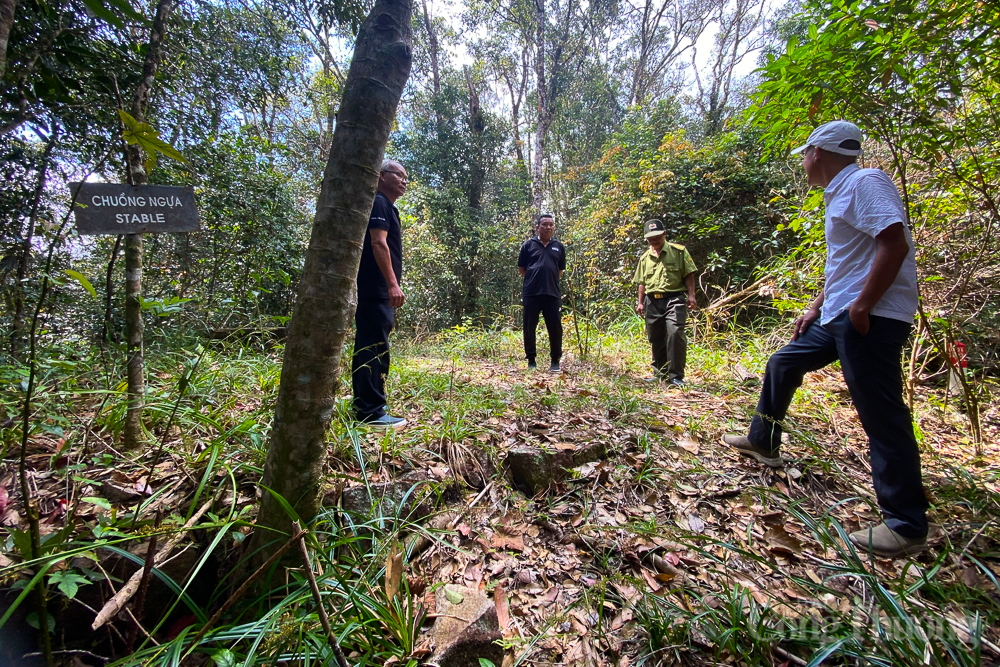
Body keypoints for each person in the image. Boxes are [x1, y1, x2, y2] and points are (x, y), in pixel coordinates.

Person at [722, 120, 928, 558]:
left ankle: (905, 523)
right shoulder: (840, 192)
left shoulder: (865, 182)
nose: (803, 162)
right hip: (838, 314)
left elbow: (894, 244)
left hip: (869, 318)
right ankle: (763, 440)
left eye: (805, 154)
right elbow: (848, 263)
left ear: (817, 152)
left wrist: (862, 306)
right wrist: (817, 306)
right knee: (783, 362)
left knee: (880, 412)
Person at [352, 159, 409, 428]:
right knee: (374, 348)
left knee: (370, 345)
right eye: (399, 175)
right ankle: (371, 413)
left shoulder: (386, 206)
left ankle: (366, 405)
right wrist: (392, 284)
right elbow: (378, 243)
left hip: (377, 289)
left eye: (406, 178)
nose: (404, 181)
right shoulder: (379, 203)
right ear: (382, 175)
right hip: (376, 288)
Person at [633, 219, 697, 386]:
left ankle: (676, 376)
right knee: (656, 337)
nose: (654, 240)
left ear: (664, 234)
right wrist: (640, 302)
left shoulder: (679, 252)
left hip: (674, 298)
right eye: (650, 238)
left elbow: (689, 274)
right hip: (652, 301)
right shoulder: (645, 258)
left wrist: (691, 295)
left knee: (675, 333)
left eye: (657, 236)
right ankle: (660, 373)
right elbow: (642, 282)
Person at [517, 214, 566, 372]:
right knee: (529, 326)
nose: (548, 227)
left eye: (551, 224)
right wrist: (535, 279)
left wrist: (548, 280)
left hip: (552, 293)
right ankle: (531, 360)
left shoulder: (559, 247)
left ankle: (555, 361)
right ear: (537, 227)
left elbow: (560, 271)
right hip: (531, 293)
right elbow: (522, 269)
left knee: (555, 327)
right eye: (544, 224)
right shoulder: (528, 245)